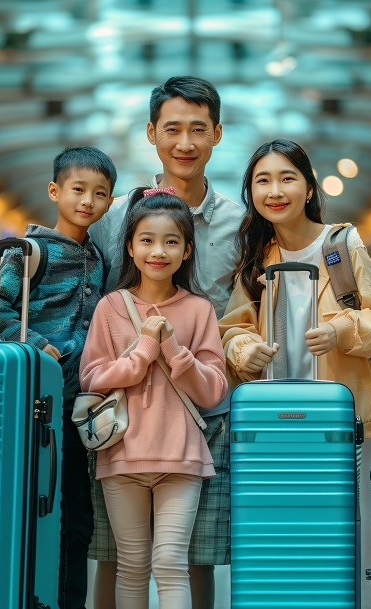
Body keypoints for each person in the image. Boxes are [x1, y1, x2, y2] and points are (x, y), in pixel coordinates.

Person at [218, 139, 371, 601]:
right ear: (251, 193)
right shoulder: (256, 258)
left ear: (308, 188)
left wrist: (342, 330)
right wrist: (244, 351)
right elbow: (232, 329)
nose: (275, 190)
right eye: (262, 181)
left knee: (341, 534)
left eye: (287, 178)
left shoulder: (340, 246)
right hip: (273, 422)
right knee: (282, 537)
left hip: (338, 424)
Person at [88, 75, 244, 609]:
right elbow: (101, 297)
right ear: (151, 132)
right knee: (119, 555)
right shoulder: (118, 217)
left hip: (204, 408)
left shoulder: (238, 222)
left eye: (198, 129)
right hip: (125, 418)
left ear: (217, 134)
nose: (185, 142)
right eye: (172, 128)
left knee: (190, 556)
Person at [0, 146, 116, 609]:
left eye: (100, 194)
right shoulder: (28, 251)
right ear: (55, 191)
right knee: (30, 512)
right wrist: (41, 348)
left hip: (77, 411)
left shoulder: (99, 259)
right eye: (78, 190)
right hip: (33, 407)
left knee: (76, 520)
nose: (88, 201)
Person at [80, 190, 229, 609]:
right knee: (130, 565)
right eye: (146, 240)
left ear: (187, 250)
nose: (158, 251)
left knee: (169, 563)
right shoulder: (110, 307)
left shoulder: (200, 310)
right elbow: (92, 379)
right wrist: (144, 352)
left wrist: (176, 351)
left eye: (170, 241)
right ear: (129, 246)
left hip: (180, 458)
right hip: (121, 456)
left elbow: (213, 389)